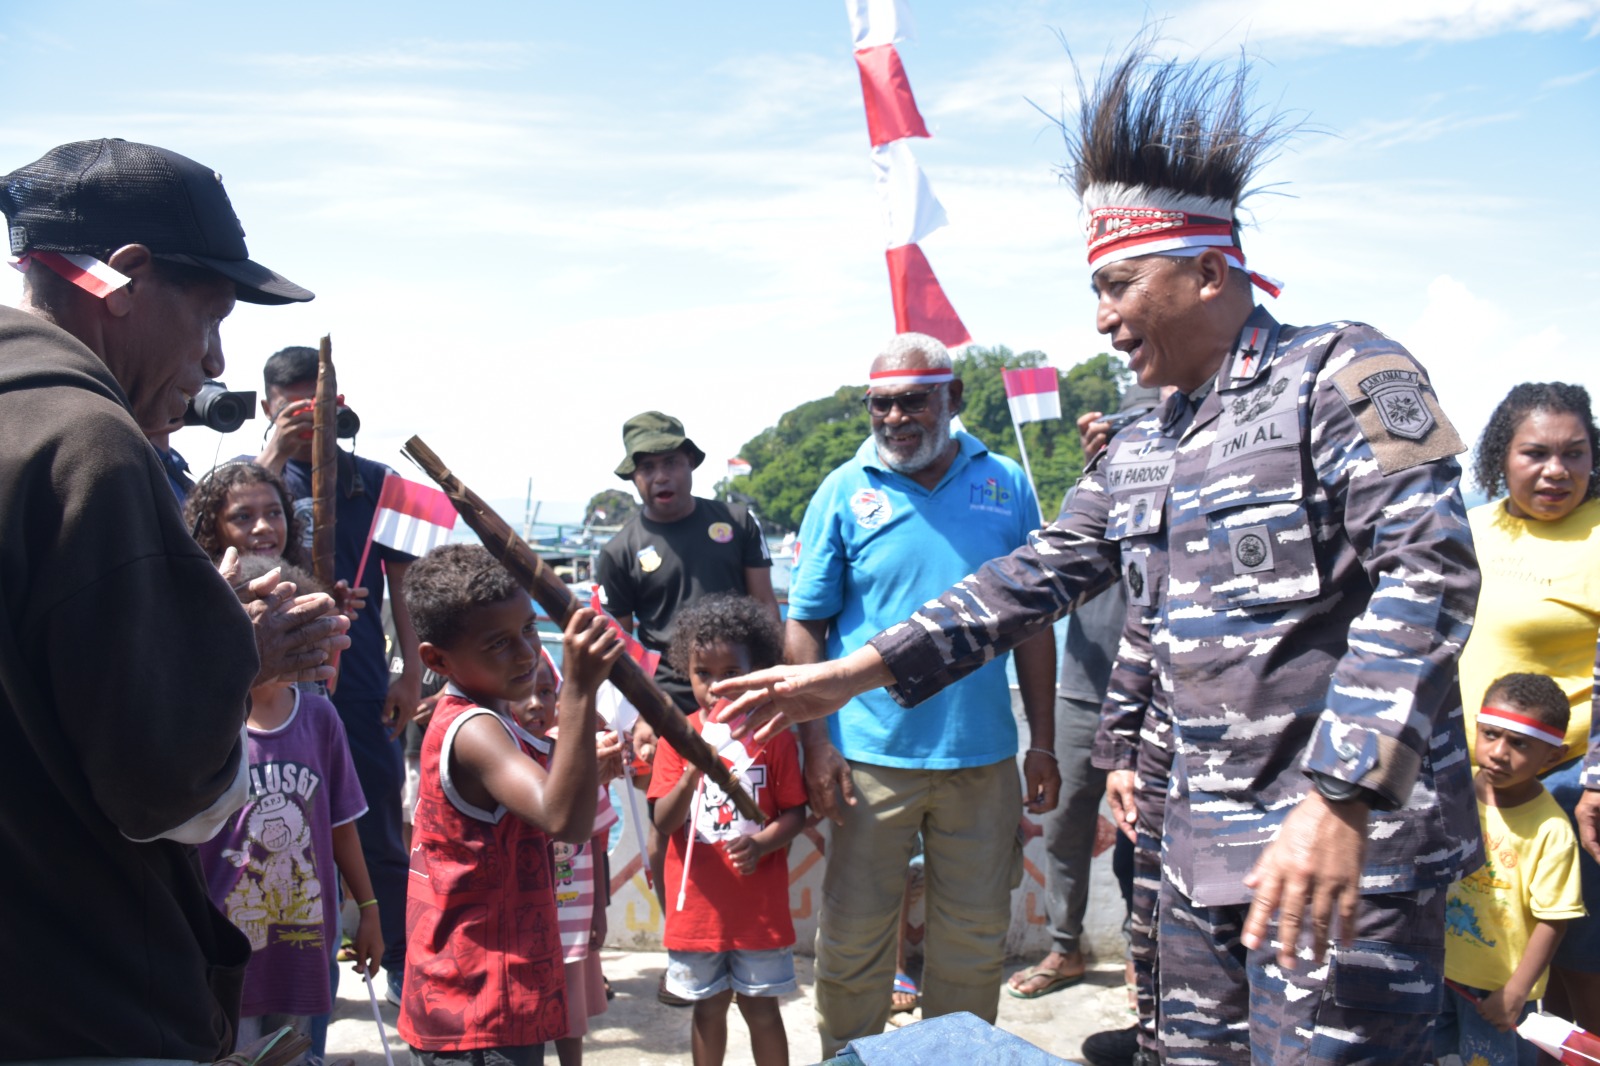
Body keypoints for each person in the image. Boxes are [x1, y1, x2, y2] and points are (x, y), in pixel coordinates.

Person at [714, 44, 1483, 1066]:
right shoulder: (1143, 439)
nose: (1103, 318)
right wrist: (855, 673)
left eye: (1119, 284)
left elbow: (1429, 571)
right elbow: (1029, 579)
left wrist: (1341, 796)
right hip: (1193, 852)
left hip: (1339, 850)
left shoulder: (1344, 374)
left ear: (1208, 272)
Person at [0, 137, 348, 1060]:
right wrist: (237, 659)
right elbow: (163, 796)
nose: (215, 358)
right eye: (210, 316)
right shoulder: (92, 446)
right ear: (123, 278)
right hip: (84, 1001)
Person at [783, 332, 1059, 1055]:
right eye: (880, 405)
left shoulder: (1006, 483)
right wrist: (815, 744)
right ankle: (848, 1060)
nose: (895, 419)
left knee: (974, 939)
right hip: (867, 757)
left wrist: (1044, 745)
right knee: (853, 939)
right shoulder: (843, 489)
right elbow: (805, 625)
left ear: (953, 398)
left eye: (912, 401)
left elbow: (1034, 623)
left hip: (983, 755)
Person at [398, 544, 618, 1065]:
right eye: (498, 643)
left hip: (492, 992)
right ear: (437, 660)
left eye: (528, 630)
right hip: (477, 1004)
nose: (524, 653)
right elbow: (565, 819)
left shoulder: (495, 719)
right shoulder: (474, 729)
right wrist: (579, 690)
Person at [255, 344, 422, 1000]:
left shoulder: (378, 481)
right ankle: (284, 969)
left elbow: (404, 584)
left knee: (376, 817)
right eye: (291, 410)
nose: (307, 422)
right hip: (267, 687)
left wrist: (410, 670)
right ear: (266, 407)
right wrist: (272, 455)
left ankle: (399, 963)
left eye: (316, 408)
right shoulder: (250, 485)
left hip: (358, 682)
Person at [596, 410, 779, 988]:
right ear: (634, 477)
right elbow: (619, 648)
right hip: (666, 706)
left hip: (743, 693)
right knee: (663, 828)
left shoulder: (736, 521)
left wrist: (774, 691)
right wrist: (644, 717)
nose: (661, 476)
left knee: (761, 806)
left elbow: (767, 610)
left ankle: (748, 945)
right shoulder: (619, 551)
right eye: (647, 467)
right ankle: (682, 947)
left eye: (671, 462)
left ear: (690, 465)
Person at [198, 556, 386, 1064]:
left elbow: (342, 824)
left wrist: (368, 910)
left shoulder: (321, 718)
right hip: (226, 958)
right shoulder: (208, 722)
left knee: (293, 1053)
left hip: (300, 950)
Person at [1008, 384, 1160, 1009]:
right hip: (1082, 689)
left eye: (1150, 422)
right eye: (1128, 424)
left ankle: (1141, 955)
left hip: (1158, 696)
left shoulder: (1199, 479)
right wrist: (1097, 467)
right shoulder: (1095, 491)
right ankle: (1065, 945)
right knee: (1065, 824)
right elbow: (1055, 570)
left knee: (1146, 835)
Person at [1456, 382, 1600, 1035]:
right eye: (1536, 453)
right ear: (1501, 457)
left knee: (1578, 962)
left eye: (1574, 453)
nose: (1556, 470)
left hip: (1568, 790)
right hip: (1476, 783)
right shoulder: (1472, 525)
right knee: (1498, 951)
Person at [647, 594, 806, 1066]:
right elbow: (663, 821)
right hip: (698, 915)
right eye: (703, 673)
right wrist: (690, 774)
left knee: (763, 1011)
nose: (716, 686)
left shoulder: (773, 735)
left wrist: (761, 844)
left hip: (758, 913)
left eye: (730, 672)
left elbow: (796, 814)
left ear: (755, 669)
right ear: (686, 671)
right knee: (708, 1010)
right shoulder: (676, 738)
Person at [1436, 672, 1584, 1066]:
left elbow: (1554, 920)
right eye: (1490, 734)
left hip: (1496, 994)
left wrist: (1516, 992)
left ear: (1553, 756)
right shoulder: (1452, 789)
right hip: (1433, 971)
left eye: (1519, 743)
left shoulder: (1551, 830)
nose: (1499, 752)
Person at [511, 651, 624, 1066]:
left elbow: (595, 840)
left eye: (545, 692)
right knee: (528, 1011)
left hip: (572, 914)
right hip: (524, 918)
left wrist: (598, 911)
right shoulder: (505, 761)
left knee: (570, 1015)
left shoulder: (577, 762)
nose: (535, 703)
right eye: (525, 692)